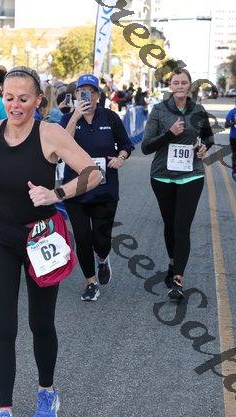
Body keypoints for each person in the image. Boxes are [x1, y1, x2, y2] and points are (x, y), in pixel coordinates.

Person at [0, 66, 101, 417]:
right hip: (0, 239)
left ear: (39, 100)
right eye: (9, 97)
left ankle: (46, 393)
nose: (15, 105)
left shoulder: (50, 134)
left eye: (23, 98)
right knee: (3, 327)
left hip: (41, 240)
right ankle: (3, 414)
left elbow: (93, 173)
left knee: (40, 323)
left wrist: (57, 194)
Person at [141, 68, 214, 300]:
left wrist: (204, 147)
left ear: (189, 85)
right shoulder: (159, 110)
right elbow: (146, 146)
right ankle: (173, 262)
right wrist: (169, 134)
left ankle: (177, 280)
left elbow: (209, 137)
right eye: (176, 82)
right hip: (162, 176)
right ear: (170, 86)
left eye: (184, 82)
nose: (180, 86)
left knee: (182, 226)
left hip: (192, 174)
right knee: (170, 224)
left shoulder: (198, 110)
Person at [60, 74, 133, 302]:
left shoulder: (110, 117)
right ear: (75, 95)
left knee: (101, 239)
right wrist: (75, 116)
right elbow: (62, 146)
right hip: (76, 189)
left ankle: (102, 258)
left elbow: (126, 144)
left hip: (104, 188)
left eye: (91, 92)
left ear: (98, 95)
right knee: (82, 238)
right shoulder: (67, 119)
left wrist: (121, 157)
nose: (87, 96)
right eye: (82, 92)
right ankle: (90, 282)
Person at [225, 102, 236, 181]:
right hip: (234, 137)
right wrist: (234, 122)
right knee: (235, 154)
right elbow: (226, 125)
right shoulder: (232, 112)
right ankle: (234, 170)